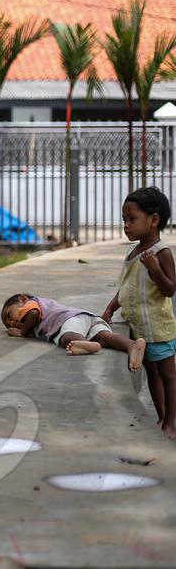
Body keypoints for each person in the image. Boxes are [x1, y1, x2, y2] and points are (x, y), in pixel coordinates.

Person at [103, 187, 176, 439]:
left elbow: (170, 289)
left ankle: (171, 423)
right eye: (124, 219)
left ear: (153, 220)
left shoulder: (161, 253)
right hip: (139, 328)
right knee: (151, 372)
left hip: (158, 327)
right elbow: (126, 287)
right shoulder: (132, 252)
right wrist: (111, 308)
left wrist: (155, 268)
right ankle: (161, 416)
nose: (126, 225)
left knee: (168, 375)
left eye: (132, 219)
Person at [1, 293, 145, 369]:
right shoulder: (36, 307)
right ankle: (132, 345)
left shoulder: (30, 303)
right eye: (8, 325)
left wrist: (22, 332)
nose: (10, 323)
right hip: (86, 317)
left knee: (66, 337)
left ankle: (84, 343)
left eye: (8, 315)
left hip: (67, 321)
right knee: (105, 337)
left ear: (23, 299)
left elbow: (33, 313)